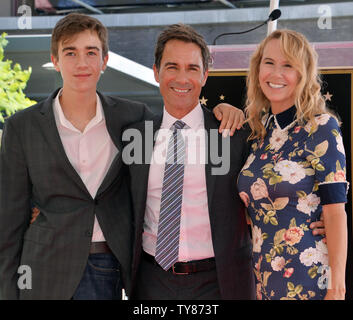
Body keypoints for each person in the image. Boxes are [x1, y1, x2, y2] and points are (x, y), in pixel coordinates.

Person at [0, 13, 241, 300]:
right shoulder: (24, 126)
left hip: (123, 269)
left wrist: (227, 109)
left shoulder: (134, 119)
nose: (81, 63)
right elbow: (9, 218)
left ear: (104, 61)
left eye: (91, 52)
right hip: (55, 267)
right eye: (70, 53)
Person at [123, 23, 255, 300]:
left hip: (220, 282)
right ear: (156, 72)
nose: (182, 79)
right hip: (151, 282)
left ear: (205, 75)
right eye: (172, 67)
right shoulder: (135, 136)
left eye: (192, 68)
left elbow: (265, 192)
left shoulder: (232, 134)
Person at [237, 29, 348, 300]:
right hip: (262, 280)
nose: (276, 73)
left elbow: (335, 214)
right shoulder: (257, 133)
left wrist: (337, 287)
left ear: (302, 74)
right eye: (269, 63)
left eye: (288, 65)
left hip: (310, 279)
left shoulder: (321, 127)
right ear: (257, 68)